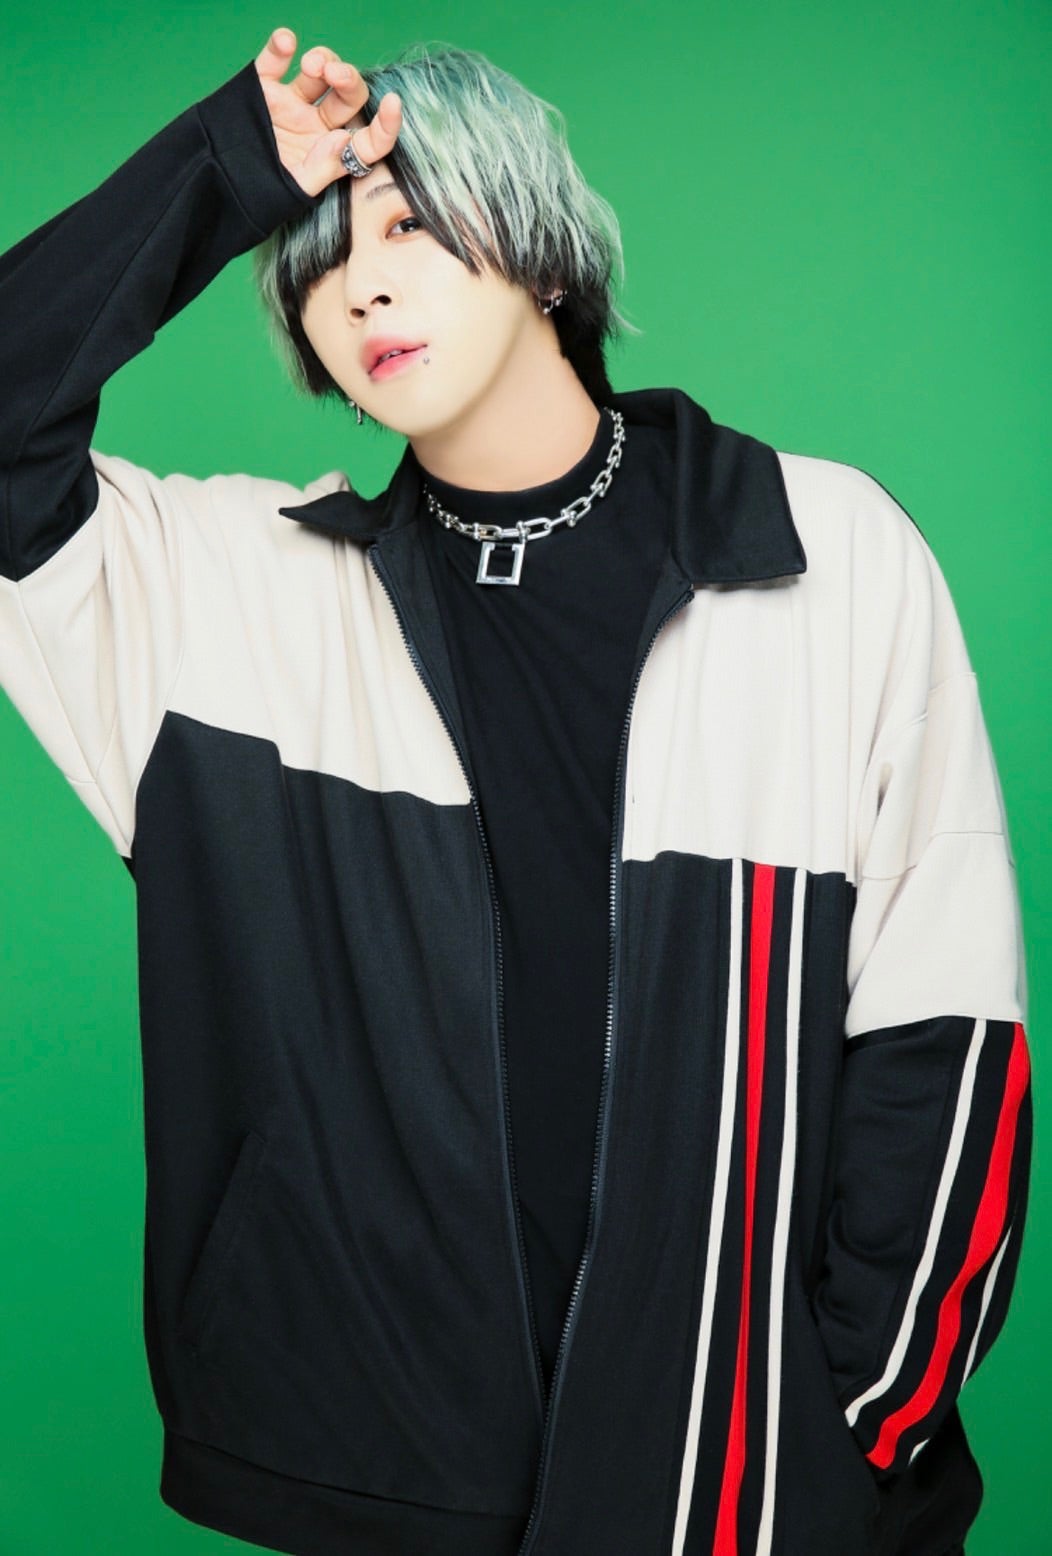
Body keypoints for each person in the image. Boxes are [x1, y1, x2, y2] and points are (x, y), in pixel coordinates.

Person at [0, 24, 1031, 1556]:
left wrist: (842, 1432)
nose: (363, 286)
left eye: (409, 225)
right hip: (388, 1475)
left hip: (752, 1475)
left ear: (542, 251)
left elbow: (943, 1030)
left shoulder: (819, 549)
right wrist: (228, 172)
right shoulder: (226, 604)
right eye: (320, 260)